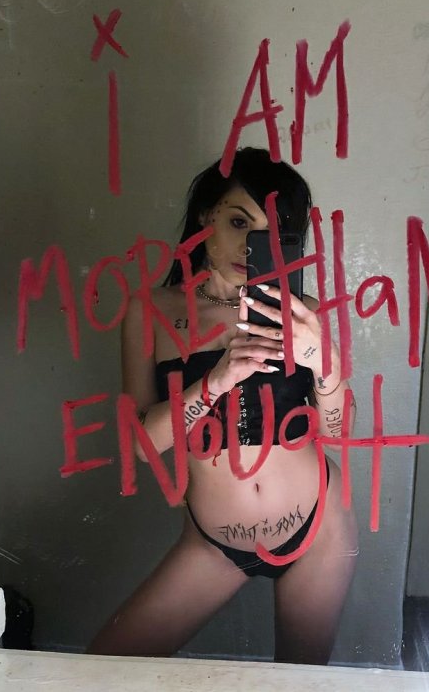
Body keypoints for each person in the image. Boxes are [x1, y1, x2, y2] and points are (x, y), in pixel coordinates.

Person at [87, 148, 358, 664]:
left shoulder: (302, 314)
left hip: (319, 526)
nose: (249, 245)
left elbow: (339, 433)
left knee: (301, 682)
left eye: (271, 233)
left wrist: (324, 364)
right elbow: (142, 446)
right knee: (107, 666)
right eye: (238, 222)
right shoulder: (152, 312)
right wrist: (216, 380)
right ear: (203, 215)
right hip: (214, 545)